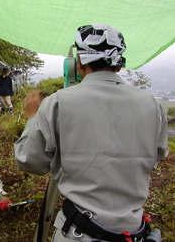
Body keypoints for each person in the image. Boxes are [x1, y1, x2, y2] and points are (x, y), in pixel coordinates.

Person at [14, 24, 168, 242]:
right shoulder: (153, 105)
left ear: (78, 62)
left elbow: (30, 162)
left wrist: (32, 117)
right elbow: (156, 157)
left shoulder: (57, 103)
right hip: (133, 231)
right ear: (118, 64)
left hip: (79, 232)